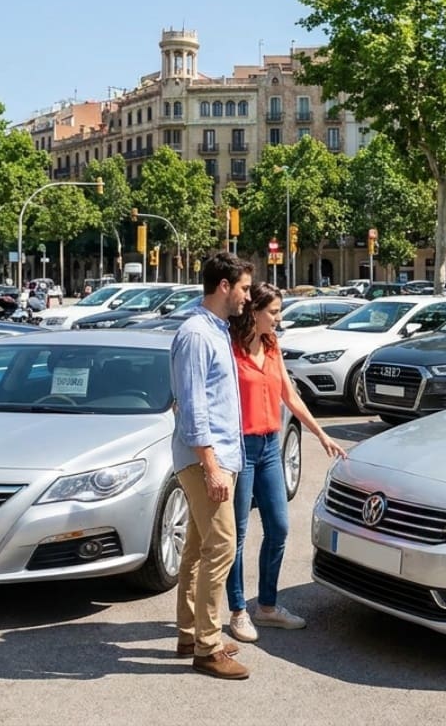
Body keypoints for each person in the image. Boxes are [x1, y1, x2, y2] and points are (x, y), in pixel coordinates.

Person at [224, 282, 347, 644]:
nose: (279, 318)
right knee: (237, 534)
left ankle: (267, 606)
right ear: (254, 312)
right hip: (240, 449)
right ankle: (238, 611)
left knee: (278, 527)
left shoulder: (272, 345)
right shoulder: (230, 348)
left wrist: (320, 434)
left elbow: (289, 395)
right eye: (274, 312)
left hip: (269, 448)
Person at [170, 252, 254, 680]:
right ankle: (208, 646)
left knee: (198, 547)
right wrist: (211, 465)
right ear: (224, 286)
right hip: (207, 458)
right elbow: (193, 407)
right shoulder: (196, 334)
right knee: (221, 546)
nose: (247, 297)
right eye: (243, 288)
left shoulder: (217, 330)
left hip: (218, 456)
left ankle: (190, 634)